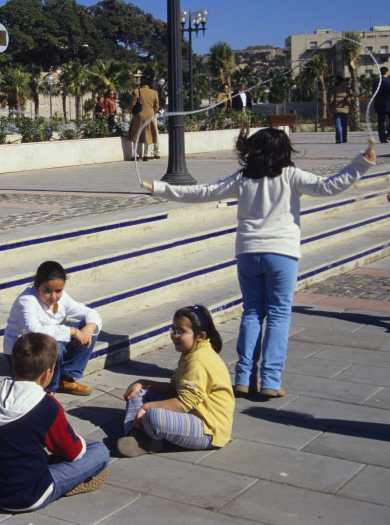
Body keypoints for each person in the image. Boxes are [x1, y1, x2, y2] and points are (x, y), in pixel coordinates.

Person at [141, 128, 376, 399]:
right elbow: (329, 186)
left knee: (252, 312)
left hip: (248, 253)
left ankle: (243, 377)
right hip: (282, 254)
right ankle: (271, 380)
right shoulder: (291, 175)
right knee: (278, 315)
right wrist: (361, 163)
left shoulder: (242, 179)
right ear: (284, 152)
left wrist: (159, 188)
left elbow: (202, 192)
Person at [0, 332, 110, 512]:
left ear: (14, 365)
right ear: (47, 373)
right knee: (99, 451)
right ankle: (64, 485)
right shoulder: (47, 406)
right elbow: (74, 453)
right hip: (26, 495)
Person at [117, 305, 234, 457]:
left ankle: (141, 433)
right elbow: (174, 389)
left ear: (201, 336)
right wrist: (143, 382)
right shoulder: (190, 352)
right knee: (138, 392)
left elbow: (185, 403)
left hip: (208, 429)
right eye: (173, 330)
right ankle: (137, 435)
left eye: (181, 331)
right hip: (191, 413)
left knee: (153, 415)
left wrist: (147, 407)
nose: (175, 335)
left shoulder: (199, 360)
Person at [4, 261, 101, 396]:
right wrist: (72, 331)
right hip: (22, 353)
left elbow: (90, 313)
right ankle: (48, 388)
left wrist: (88, 329)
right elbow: (35, 330)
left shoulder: (62, 298)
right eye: (47, 291)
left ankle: (65, 378)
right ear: (37, 286)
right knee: (55, 347)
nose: (53, 296)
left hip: (47, 342)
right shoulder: (26, 300)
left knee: (89, 328)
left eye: (58, 291)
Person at [126, 70, 160, 161]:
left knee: (137, 134)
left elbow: (132, 104)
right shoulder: (154, 93)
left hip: (139, 115)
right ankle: (147, 155)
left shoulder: (136, 91)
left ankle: (136, 154)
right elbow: (156, 106)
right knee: (148, 135)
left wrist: (133, 113)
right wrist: (153, 113)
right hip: (150, 115)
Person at [329, 75, 353, 144]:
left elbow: (331, 99)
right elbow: (351, 96)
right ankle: (345, 139)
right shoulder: (347, 88)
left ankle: (339, 139)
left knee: (338, 125)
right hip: (345, 108)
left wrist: (330, 106)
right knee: (344, 125)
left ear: (337, 80)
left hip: (336, 109)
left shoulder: (334, 88)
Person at [374, 66, 390, 144]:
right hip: (388, 104)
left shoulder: (376, 82)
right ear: (386, 72)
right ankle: (388, 135)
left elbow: (374, 93)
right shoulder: (388, 82)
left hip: (379, 104)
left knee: (381, 122)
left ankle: (382, 138)